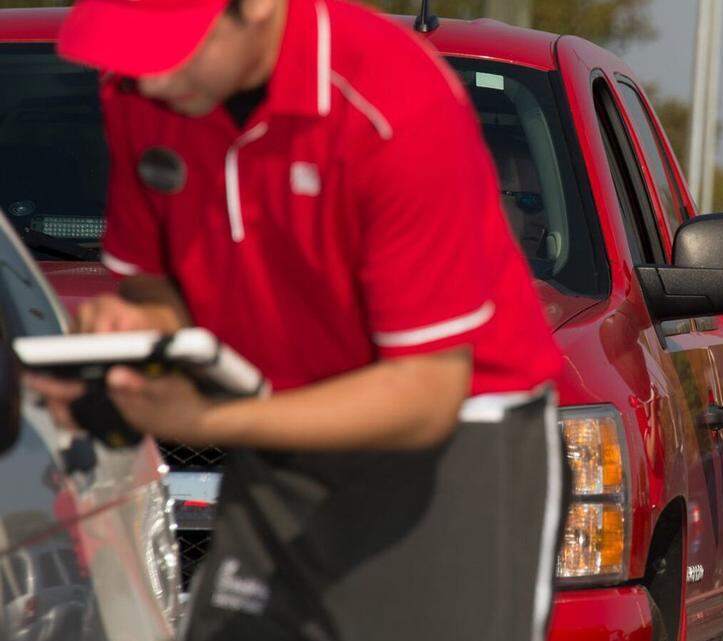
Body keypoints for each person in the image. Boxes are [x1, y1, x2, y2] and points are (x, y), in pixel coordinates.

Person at [29, 0, 566, 639]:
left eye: (168, 50)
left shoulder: (392, 98)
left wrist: (204, 422)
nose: (147, 81)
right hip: (285, 428)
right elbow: (152, 284)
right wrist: (134, 333)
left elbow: (427, 393)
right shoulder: (138, 88)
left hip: (456, 446)